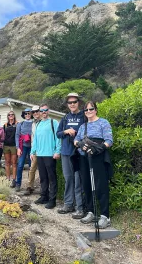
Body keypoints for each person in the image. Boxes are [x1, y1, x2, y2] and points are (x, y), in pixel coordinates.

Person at [74, 101, 113, 229]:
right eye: (86, 110)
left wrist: (100, 148)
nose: (89, 111)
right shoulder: (82, 126)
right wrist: (79, 144)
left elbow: (109, 140)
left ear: (96, 109)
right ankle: (90, 211)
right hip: (84, 157)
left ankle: (105, 216)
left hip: (98, 156)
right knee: (87, 184)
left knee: (100, 185)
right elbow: (76, 140)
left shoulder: (103, 122)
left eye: (91, 109)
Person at [56, 93, 85, 219]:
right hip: (66, 152)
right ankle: (68, 204)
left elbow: (88, 132)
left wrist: (77, 134)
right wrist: (66, 131)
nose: (72, 104)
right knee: (69, 179)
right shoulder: (65, 117)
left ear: (78, 102)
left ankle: (80, 207)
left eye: (74, 102)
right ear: (67, 105)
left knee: (79, 181)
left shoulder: (84, 116)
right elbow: (58, 133)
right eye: (70, 103)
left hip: (79, 153)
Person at [30, 104, 61, 209]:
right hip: (40, 155)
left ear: (48, 111)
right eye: (41, 110)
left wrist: (57, 151)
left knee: (51, 177)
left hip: (50, 154)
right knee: (43, 177)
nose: (43, 112)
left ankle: (52, 200)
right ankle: (44, 196)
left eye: (45, 110)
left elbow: (58, 138)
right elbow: (35, 140)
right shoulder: (38, 124)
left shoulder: (54, 122)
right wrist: (32, 152)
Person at [14, 108, 33, 191]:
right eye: (26, 114)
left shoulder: (34, 124)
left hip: (32, 147)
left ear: (31, 114)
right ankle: (18, 184)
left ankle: (30, 185)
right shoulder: (20, 124)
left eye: (29, 113)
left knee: (31, 166)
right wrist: (18, 148)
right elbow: (17, 136)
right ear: (24, 115)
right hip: (23, 146)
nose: (27, 115)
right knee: (20, 165)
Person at [24, 105, 41, 195]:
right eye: (33, 112)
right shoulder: (33, 124)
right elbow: (32, 138)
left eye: (37, 111)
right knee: (32, 169)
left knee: (43, 170)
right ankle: (29, 187)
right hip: (35, 150)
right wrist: (32, 151)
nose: (35, 113)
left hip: (44, 150)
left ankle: (44, 188)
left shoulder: (45, 122)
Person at [3, 111, 18, 184]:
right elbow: (2, 135)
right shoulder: (5, 125)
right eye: (9, 115)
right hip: (6, 146)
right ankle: (8, 179)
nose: (11, 116)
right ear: (8, 116)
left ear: (14, 116)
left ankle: (14, 179)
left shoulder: (17, 124)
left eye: (12, 114)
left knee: (14, 163)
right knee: (7, 163)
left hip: (14, 145)